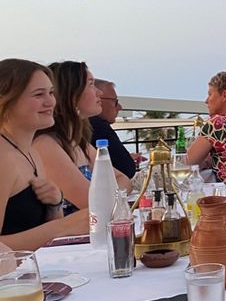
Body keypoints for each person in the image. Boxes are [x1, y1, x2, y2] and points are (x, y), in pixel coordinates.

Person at [0, 59, 89, 249]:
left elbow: (40, 236)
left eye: (50, 93)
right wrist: (64, 226)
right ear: (6, 101)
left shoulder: (30, 152)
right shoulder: (3, 158)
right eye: (38, 94)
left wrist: (55, 205)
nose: (50, 102)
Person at [34, 61, 130, 211]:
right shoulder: (46, 145)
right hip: (77, 231)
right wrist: (115, 195)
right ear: (71, 94)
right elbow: (94, 205)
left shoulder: (77, 142)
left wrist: (111, 196)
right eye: (91, 84)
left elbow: (123, 179)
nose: (99, 92)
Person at [89, 79, 136, 179]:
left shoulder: (78, 129)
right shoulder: (98, 127)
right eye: (115, 101)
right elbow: (126, 169)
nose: (119, 107)